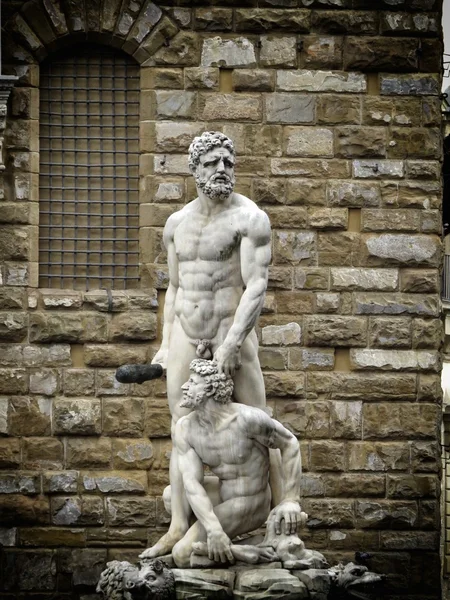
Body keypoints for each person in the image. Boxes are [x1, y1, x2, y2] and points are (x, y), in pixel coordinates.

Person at [141, 131, 277, 559]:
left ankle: (281, 516)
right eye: (212, 162)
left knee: (258, 422)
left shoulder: (249, 218)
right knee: (182, 427)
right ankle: (178, 524)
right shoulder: (175, 225)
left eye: (228, 162)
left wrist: (234, 342)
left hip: (229, 331)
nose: (222, 169)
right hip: (185, 331)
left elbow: (256, 286)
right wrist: (166, 345)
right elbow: (175, 289)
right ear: (194, 169)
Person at [168, 359, 305, 568]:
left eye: (193, 382)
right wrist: (214, 529)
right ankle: (242, 550)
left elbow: (290, 444)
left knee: (182, 554)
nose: (184, 386)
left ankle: (218, 544)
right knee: (171, 496)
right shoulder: (186, 427)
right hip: (224, 494)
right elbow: (192, 484)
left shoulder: (247, 419)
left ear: (210, 388)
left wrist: (290, 500)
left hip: (251, 501)